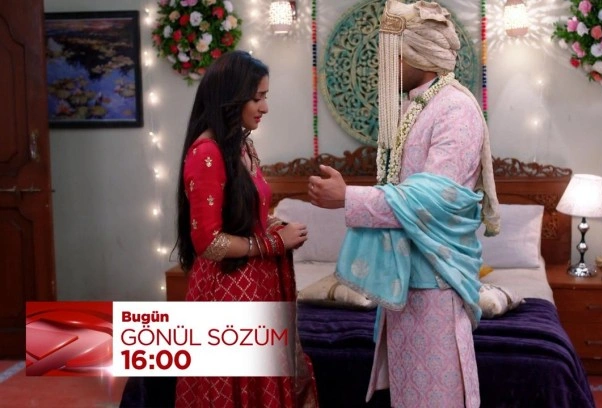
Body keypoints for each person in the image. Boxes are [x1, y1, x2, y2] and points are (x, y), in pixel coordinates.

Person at [307, 1, 499, 407]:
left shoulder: (456, 109)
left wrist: (348, 197)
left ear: (419, 54)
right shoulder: (416, 105)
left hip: (436, 282)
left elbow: (434, 198)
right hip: (404, 279)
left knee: (437, 397)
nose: (385, 64)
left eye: (392, 53)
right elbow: (403, 185)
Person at [174, 50, 318, 408]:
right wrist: (272, 244)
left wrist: (275, 225)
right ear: (231, 98)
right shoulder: (206, 153)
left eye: (265, 96)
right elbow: (209, 242)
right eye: (257, 98)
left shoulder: (241, 146)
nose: (265, 107)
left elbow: (249, 215)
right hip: (227, 294)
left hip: (255, 288)